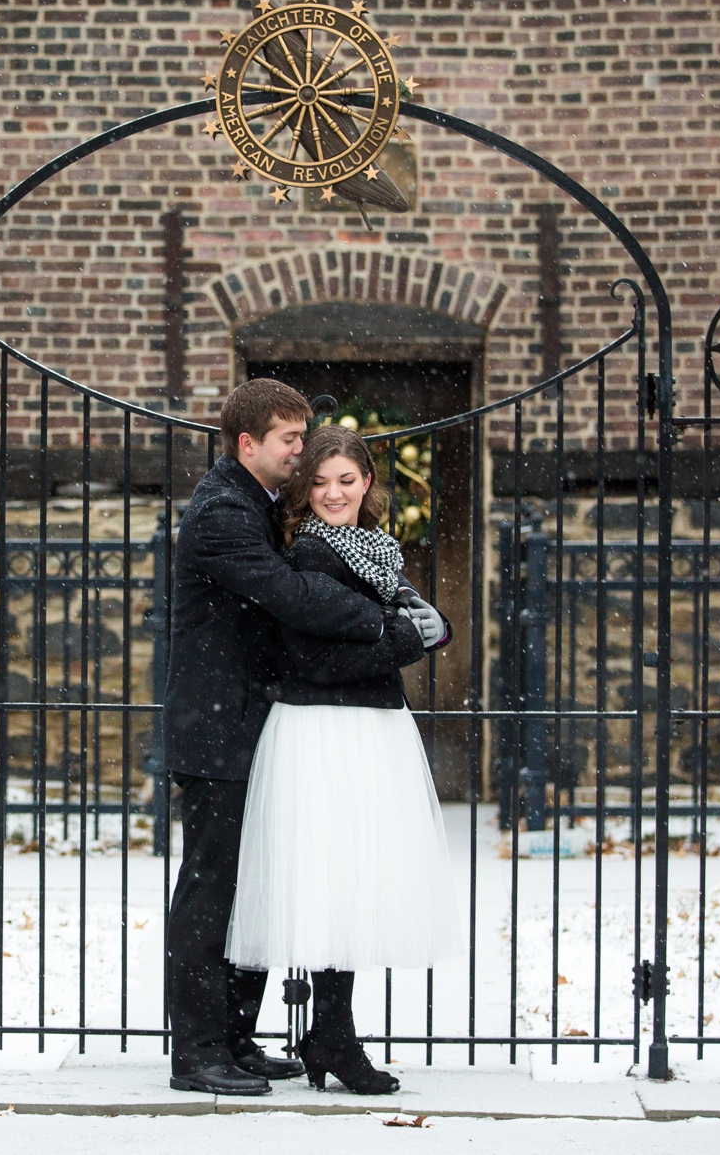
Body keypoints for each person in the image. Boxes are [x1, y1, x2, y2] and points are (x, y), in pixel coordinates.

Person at [162, 379, 420, 1096]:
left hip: (249, 723)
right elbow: (291, 595)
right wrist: (392, 621)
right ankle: (199, 1053)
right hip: (218, 729)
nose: (303, 453)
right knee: (212, 891)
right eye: (292, 440)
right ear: (249, 444)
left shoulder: (258, 504)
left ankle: (238, 1040)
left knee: (247, 888)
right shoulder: (223, 513)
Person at [225, 422, 460, 1095]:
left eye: (347, 481)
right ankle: (318, 1036)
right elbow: (310, 659)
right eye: (320, 483)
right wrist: (400, 643)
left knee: (351, 882)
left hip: (368, 730)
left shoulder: (378, 555)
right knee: (325, 880)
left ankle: (330, 1032)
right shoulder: (311, 557)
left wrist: (401, 634)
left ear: (368, 486)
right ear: (305, 491)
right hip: (322, 731)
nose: (333, 494)